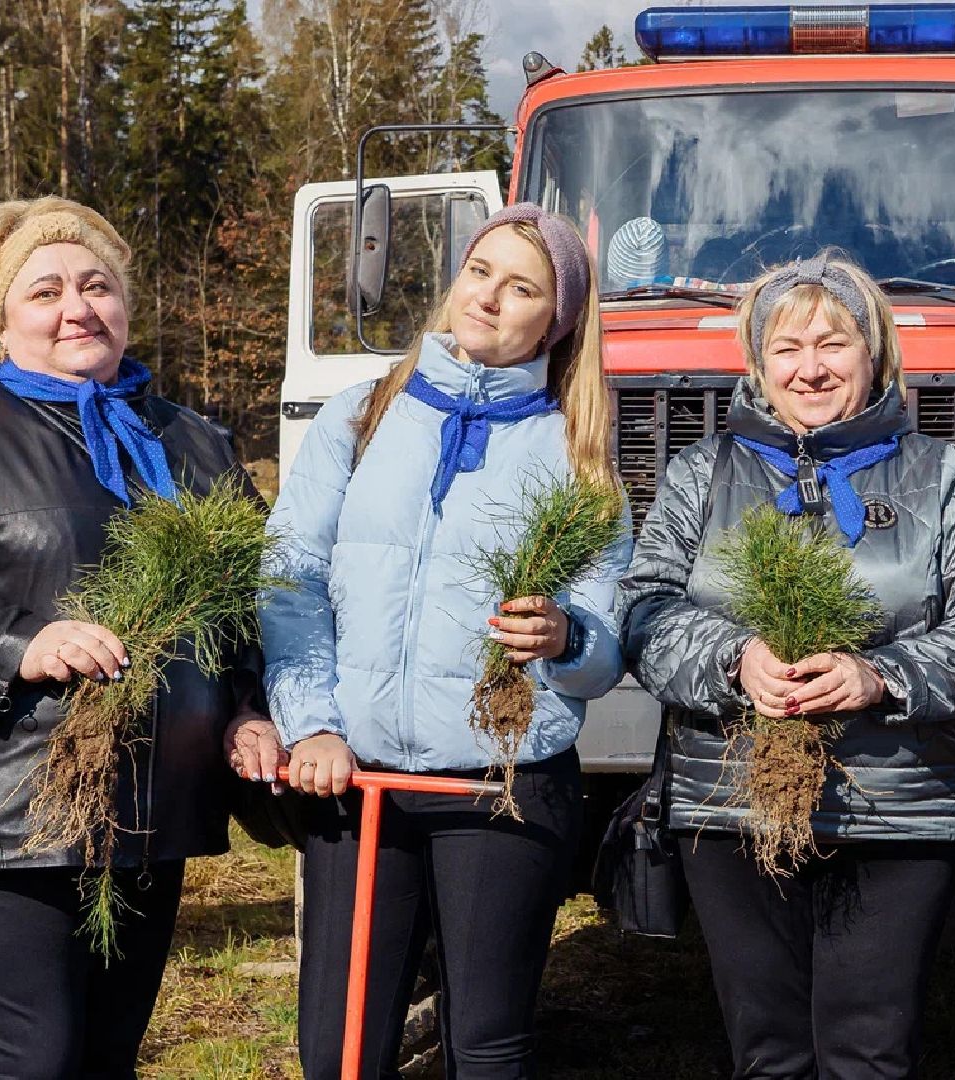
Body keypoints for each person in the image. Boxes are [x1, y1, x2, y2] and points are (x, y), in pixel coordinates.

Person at [0, 195, 280, 1078]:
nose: (77, 307)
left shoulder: (189, 442)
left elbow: (251, 603)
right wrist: (17, 647)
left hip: (156, 800)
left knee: (109, 1053)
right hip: (3, 800)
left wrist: (250, 708)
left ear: (126, 304)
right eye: (44, 291)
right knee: (32, 1059)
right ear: (3, 320)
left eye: (97, 284)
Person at [619, 251, 955, 1079]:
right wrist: (735, 661)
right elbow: (645, 608)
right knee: (765, 1051)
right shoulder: (701, 474)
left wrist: (885, 676)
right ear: (758, 366)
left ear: (873, 352)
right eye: (786, 348)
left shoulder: (939, 476)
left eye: (832, 343)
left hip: (896, 805)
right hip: (729, 805)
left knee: (868, 1049)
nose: (810, 369)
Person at [256, 202, 632, 1079]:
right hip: (358, 780)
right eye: (481, 272)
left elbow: (605, 654)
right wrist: (310, 724)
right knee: (340, 1050)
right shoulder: (362, 416)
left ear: (560, 319)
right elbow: (289, 583)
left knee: (486, 1048)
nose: (491, 298)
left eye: (523, 287)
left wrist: (565, 637)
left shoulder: (578, 454)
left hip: (502, 785)